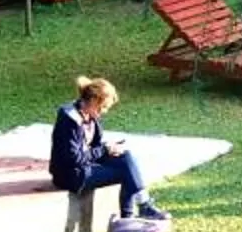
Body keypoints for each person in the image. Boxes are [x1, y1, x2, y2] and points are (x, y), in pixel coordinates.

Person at [50, 76, 167, 223]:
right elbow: (74, 158)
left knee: (125, 157)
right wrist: (105, 150)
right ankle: (132, 215)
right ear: (93, 100)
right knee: (125, 171)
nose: (104, 111)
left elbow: (95, 146)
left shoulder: (91, 115)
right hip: (70, 175)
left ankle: (139, 209)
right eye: (102, 107)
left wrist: (111, 149)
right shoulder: (69, 118)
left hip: (85, 166)